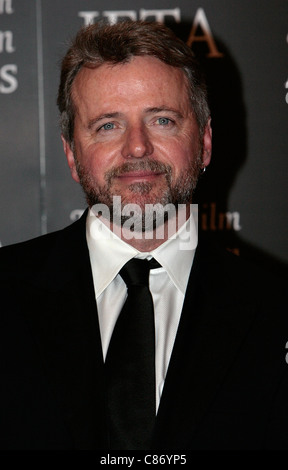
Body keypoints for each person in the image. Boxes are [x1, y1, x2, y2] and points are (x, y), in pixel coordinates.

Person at [0, 20, 287, 451]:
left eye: (163, 120)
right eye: (108, 126)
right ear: (71, 155)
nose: (137, 147)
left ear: (205, 141)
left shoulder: (276, 309)